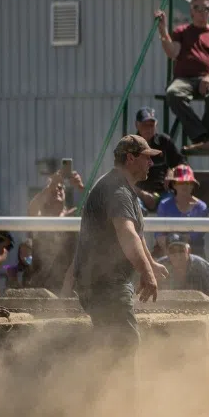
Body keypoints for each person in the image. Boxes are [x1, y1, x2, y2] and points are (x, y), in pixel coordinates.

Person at [72, 135, 170, 396]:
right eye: (146, 157)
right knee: (123, 343)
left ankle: (105, 402)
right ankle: (117, 404)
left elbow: (135, 234)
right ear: (130, 158)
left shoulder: (119, 188)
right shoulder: (117, 190)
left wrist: (150, 264)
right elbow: (127, 234)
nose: (151, 163)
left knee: (115, 342)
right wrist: (147, 273)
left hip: (103, 281)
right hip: (105, 282)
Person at [157, 0, 209, 150]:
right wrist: (163, 31)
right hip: (184, 79)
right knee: (173, 93)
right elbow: (172, 52)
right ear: (191, 12)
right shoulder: (181, 31)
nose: (202, 12)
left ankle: (206, 138)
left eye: (206, 8)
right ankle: (203, 136)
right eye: (197, 8)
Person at [26, 172, 83, 296]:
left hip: (69, 285)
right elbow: (32, 209)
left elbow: (97, 207)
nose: (57, 189)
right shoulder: (40, 219)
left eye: (60, 187)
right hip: (42, 285)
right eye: (53, 188)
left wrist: (81, 187)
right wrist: (50, 185)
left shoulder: (74, 215)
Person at [133, 107, 185, 210]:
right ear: (137, 125)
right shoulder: (129, 144)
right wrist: (143, 195)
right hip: (138, 195)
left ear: (156, 125)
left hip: (164, 193)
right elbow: (122, 177)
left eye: (151, 125)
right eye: (144, 125)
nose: (148, 129)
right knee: (133, 206)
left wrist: (172, 171)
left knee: (171, 206)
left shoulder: (164, 141)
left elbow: (182, 163)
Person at [156, 235, 209, 300]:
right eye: (173, 251)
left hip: (201, 310)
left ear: (189, 251)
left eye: (181, 250)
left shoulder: (200, 265)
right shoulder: (159, 266)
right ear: (167, 253)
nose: (178, 255)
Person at [155, 164, 209, 253]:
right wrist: (168, 252)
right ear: (174, 185)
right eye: (180, 182)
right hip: (166, 250)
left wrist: (180, 251)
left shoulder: (201, 207)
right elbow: (159, 233)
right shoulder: (164, 205)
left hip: (194, 252)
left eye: (188, 183)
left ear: (193, 185)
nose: (185, 186)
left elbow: (197, 235)